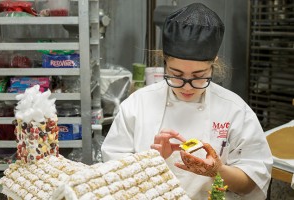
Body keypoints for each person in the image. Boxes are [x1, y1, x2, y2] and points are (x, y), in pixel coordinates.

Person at [101, 3, 273, 199]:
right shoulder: (137, 105)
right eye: (176, 74)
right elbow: (112, 176)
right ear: (164, 61)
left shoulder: (235, 110)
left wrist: (217, 170)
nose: (187, 86)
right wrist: (152, 160)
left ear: (213, 62)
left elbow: (251, 183)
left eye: (199, 75)